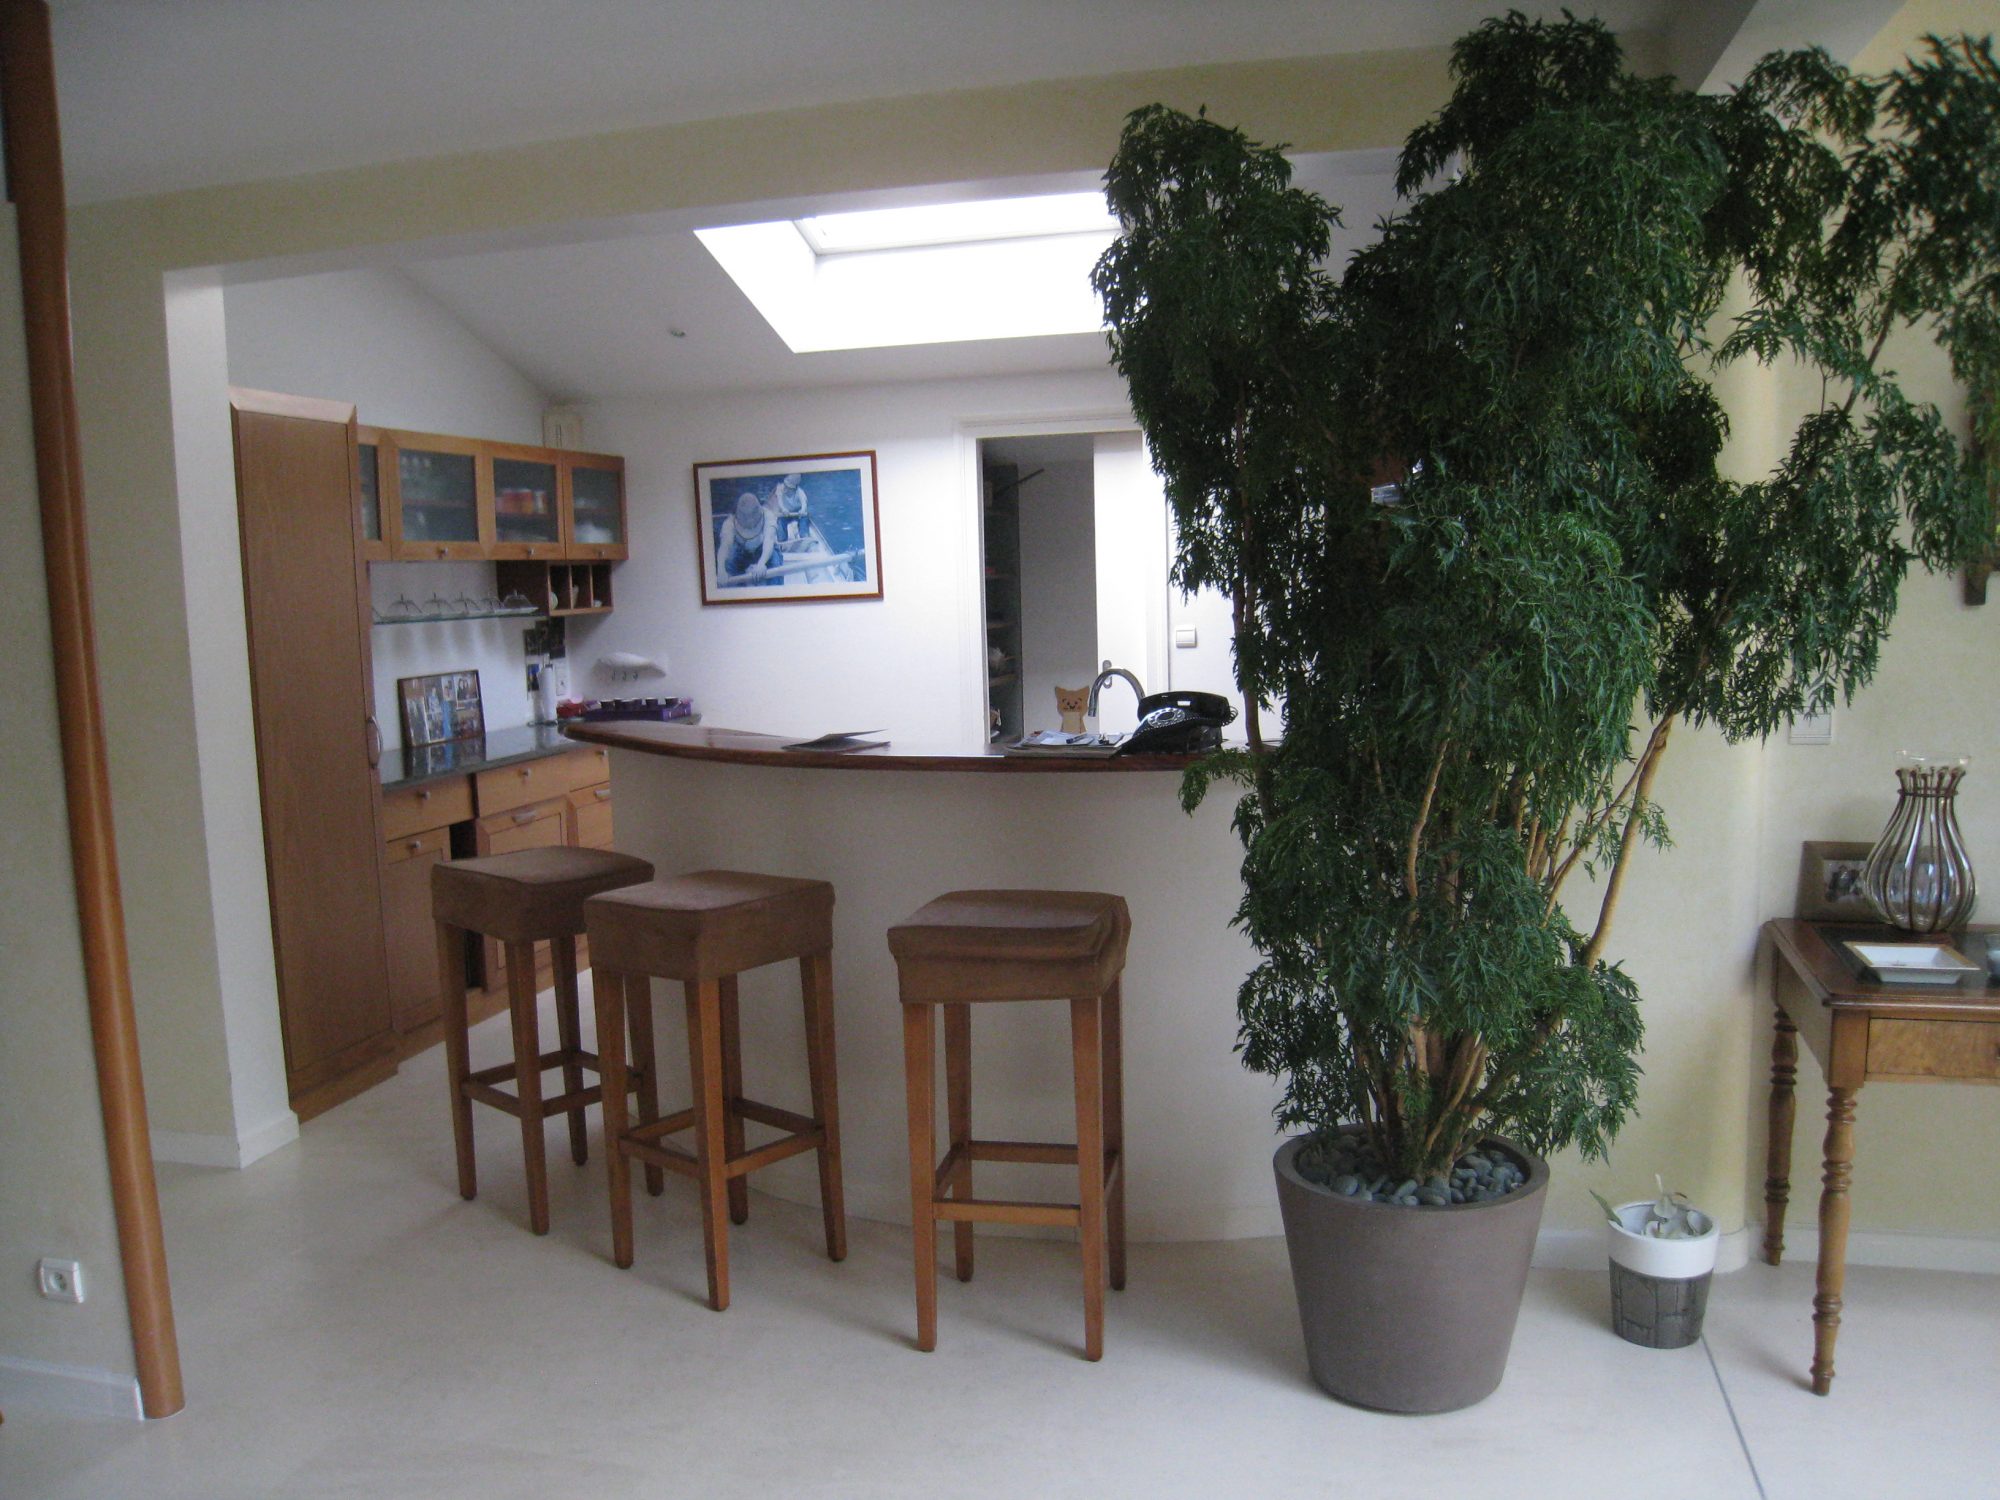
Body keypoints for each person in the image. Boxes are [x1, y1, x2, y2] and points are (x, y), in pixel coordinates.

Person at [716, 489, 778, 584]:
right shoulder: (729, 523)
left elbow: (769, 540)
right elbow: (725, 546)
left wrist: (761, 564)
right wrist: (721, 570)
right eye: (746, 516)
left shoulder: (768, 516)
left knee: (775, 562)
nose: (750, 520)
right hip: (743, 554)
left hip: (765, 552)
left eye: (753, 514)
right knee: (729, 563)